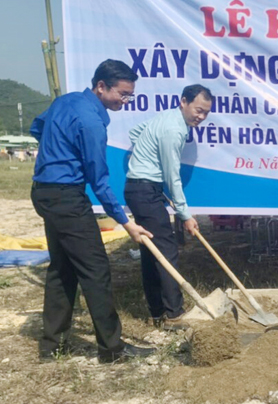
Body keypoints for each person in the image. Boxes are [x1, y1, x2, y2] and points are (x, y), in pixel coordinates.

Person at [31, 59, 155, 363]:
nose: (125, 101)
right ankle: (112, 350)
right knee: (95, 270)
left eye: (130, 95)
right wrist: (127, 223)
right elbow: (99, 180)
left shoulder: (66, 101)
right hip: (65, 198)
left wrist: (58, 154)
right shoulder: (91, 123)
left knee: (62, 268)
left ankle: (52, 346)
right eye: (123, 94)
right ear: (101, 87)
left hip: (43, 191)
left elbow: (38, 127)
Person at [124, 84, 214, 329]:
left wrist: (145, 155)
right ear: (183, 101)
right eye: (198, 110)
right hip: (145, 191)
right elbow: (172, 175)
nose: (201, 117)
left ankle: (158, 314)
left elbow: (135, 133)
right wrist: (185, 214)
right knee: (166, 251)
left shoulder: (166, 117)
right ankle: (174, 314)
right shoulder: (174, 130)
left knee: (152, 251)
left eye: (206, 113)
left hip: (142, 189)